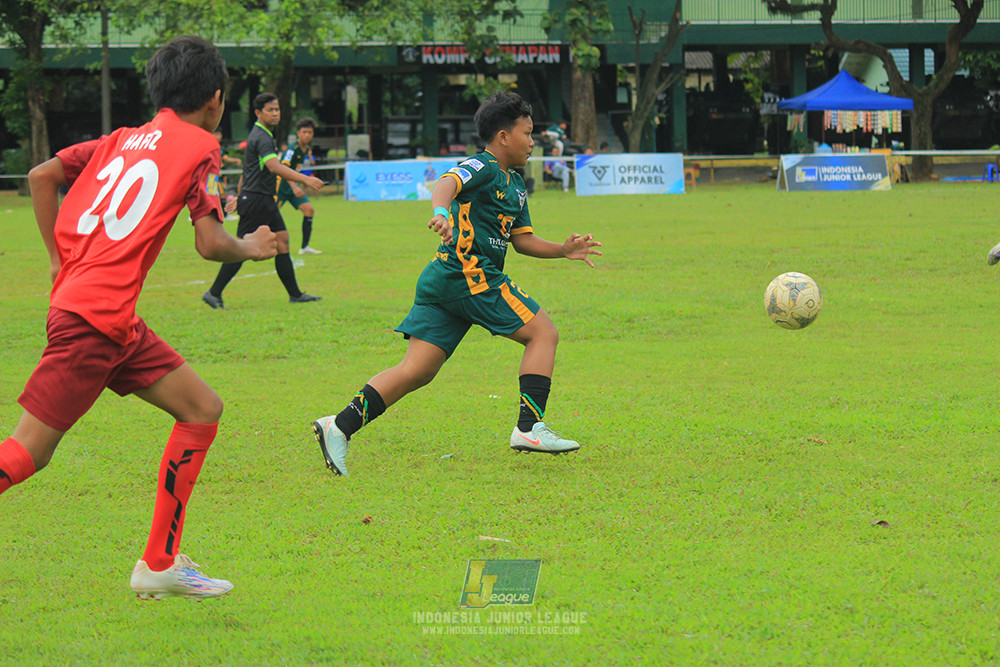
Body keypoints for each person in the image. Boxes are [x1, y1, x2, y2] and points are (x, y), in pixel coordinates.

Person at [2, 35, 278, 600]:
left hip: (108, 319)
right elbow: (209, 242)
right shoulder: (201, 144)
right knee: (29, 451)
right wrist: (250, 246)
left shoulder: (119, 140)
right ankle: (159, 562)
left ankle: (159, 563)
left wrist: (59, 260)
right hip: (93, 321)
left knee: (202, 409)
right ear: (216, 99)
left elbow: (40, 176)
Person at [311, 91, 602, 476]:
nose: (533, 142)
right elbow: (446, 185)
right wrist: (440, 212)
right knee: (543, 334)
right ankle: (529, 427)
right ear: (502, 136)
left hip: (445, 281)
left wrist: (563, 250)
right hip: (471, 275)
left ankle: (340, 425)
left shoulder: (515, 184)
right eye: (527, 133)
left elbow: (522, 240)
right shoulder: (481, 165)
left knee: (417, 370)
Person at [202, 93, 325, 309]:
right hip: (257, 200)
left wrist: (240, 196)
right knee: (241, 247)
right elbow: (274, 167)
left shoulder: (264, 134)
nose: (275, 113)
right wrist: (305, 178)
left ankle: (295, 294)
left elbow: (248, 170)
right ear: (258, 113)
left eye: (277, 109)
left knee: (283, 242)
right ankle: (213, 293)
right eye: (270, 110)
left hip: (261, 198)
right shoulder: (262, 137)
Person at [277, 117, 322, 255]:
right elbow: (283, 168)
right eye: (304, 132)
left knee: (309, 210)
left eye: (310, 132)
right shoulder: (292, 148)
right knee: (267, 216)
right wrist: (295, 187)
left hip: (291, 187)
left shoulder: (306, 148)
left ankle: (305, 247)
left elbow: (296, 170)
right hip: (279, 187)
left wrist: (300, 183)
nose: (307, 135)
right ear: (298, 133)